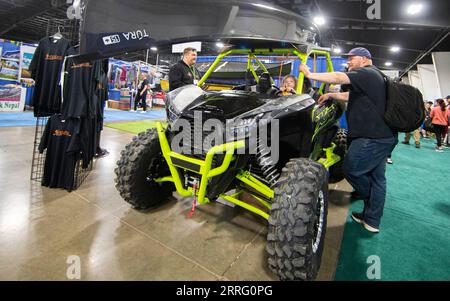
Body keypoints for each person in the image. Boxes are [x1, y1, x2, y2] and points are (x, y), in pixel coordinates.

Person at [299, 47, 398, 234]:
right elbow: (350, 96)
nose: (349, 62)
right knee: (377, 178)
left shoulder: (366, 73)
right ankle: (372, 220)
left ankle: (370, 199)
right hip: (385, 136)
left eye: (352, 59)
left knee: (351, 169)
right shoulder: (376, 77)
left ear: (364, 58)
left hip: (371, 137)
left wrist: (310, 73)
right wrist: (331, 95)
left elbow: (338, 77)